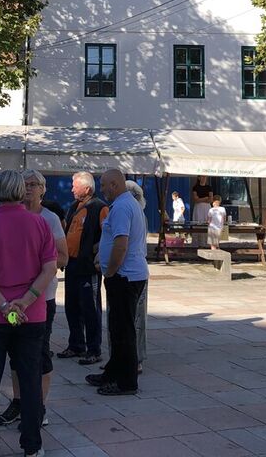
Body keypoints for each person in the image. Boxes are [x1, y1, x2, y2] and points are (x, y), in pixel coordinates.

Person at [0, 169, 56, 457]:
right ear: (21, 191)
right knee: (30, 380)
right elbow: (49, 268)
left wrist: (5, 306)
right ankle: (32, 445)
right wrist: (25, 301)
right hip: (30, 314)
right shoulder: (39, 224)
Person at [0, 170, 68, 428]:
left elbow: (63, 257)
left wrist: (37, 267)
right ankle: (19, 401)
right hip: (12, 300)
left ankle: (38, 405)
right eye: (24, 184)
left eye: (33, 184)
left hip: (41, 299)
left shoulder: (49, 219)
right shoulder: (10, 216)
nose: (28, 188)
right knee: (15, 351)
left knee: (39, 352)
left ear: (43, 189)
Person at [86, 169, 148, 396]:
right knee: (117, 328)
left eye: (104, 185)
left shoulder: (122, 207)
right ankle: (112, 372)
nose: (102, 190)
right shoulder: (127, 204)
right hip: (127, 275)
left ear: (114, 184)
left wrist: (110, 271)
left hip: (124, 276)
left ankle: (127, 382)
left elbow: (121, 244)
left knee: (123, 330)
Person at [59, 171, 109, 366]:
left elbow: (108, 234)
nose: (72, 189)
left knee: (90, 308)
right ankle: (76, 345)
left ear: (87, 189)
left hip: (88, 267)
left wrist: (96, 251)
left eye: (75, 186)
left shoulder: (100, 207)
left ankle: (94, 349)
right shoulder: (74, 206)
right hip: (71, 264)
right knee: (71, 306)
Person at [125, 179, 150, 372]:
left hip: (132, 272)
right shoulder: (137, 213)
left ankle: (136, 359)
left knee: (136, 317)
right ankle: (125, 358)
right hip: (132, 270)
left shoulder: (134, 214)